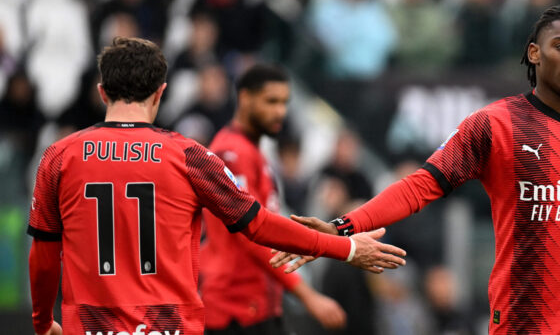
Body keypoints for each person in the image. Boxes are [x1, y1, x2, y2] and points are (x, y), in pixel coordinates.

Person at [272, 6, 560, 335]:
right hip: (520, 324)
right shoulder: (493, 125)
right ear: (534, 53)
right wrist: (344, 226)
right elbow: (420, 187)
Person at [27, 37, 406, 335]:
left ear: (102, 92)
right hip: (171, 327)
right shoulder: (190, 156)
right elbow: (260, 226)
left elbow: (43, 259)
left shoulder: (58, 158)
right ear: (160, 93)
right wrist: (346, 247)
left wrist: (43, 321)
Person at [200, 64, 346, 334]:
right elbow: (252, 235)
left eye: (284, 102)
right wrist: (307, 295)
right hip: (235, 309)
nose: (280, 110)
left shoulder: (251, 151)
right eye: (271, 101)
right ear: (244, 98)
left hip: (256, 304)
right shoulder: (232, 154)